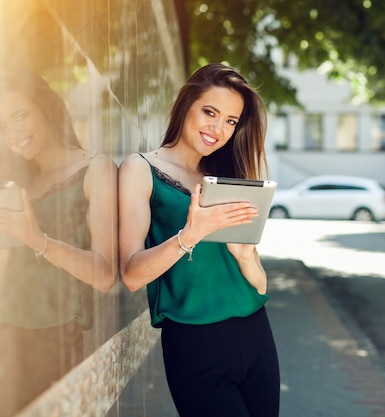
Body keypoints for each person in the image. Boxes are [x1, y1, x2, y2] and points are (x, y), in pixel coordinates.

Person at [118, 63, 280, 417]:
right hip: (195, 342)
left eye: (231, 121)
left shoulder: (226, 177)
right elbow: (131, 274)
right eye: (210, 112)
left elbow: (260, 284)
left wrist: (245, 257)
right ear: (186, 105)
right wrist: (191, 235)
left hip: (255, 333)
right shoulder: (140, 169)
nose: (218, 129)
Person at [0, 71, 118, 415]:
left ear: (46, 108)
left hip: (58, 342)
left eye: (20, 115)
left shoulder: (96, 170)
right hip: (8, 340)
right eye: (3, 125)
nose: (14, 132)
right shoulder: (18, 188)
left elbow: (105, 274)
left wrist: (38, 240)